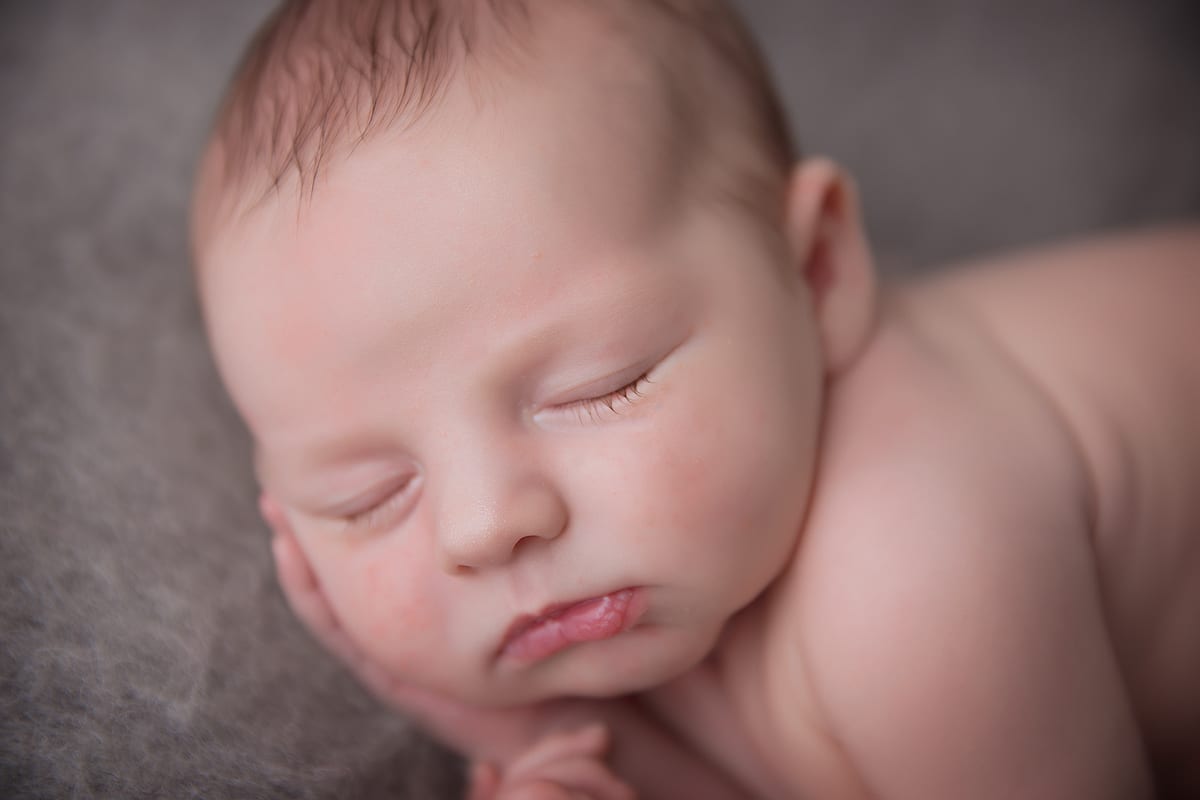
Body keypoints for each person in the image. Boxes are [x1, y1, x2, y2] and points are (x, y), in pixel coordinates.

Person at [189, 0, 1200, 796]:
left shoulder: (917, 566)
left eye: (601, 385)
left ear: (815, 273)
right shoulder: (684, 549)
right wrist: (526, 739)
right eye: (365, 495)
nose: (486, 523)